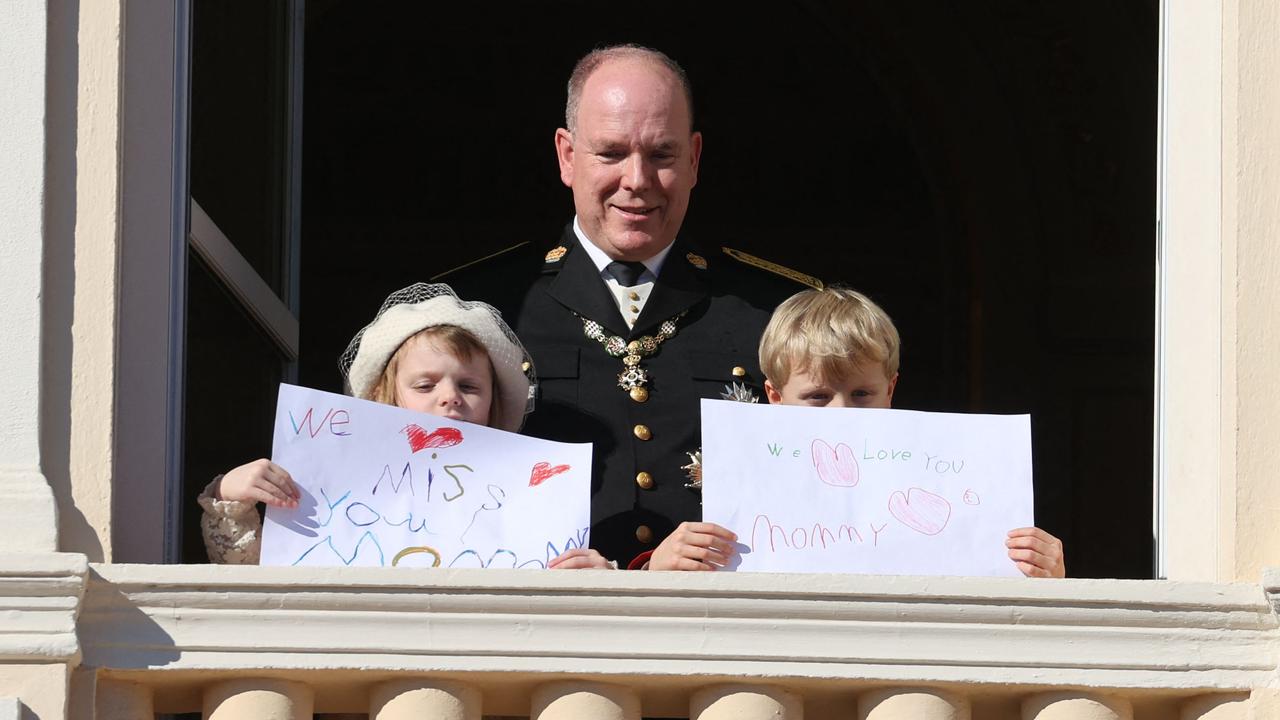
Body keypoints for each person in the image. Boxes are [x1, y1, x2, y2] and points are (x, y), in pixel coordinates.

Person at [441, 45, 816, 568]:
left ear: (694, 159)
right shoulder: (473, 309)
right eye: (611, 153)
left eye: (661, 155)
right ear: (568, 156)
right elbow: (401, 480)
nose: (637, 181)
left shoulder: (778, 312)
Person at [650, 286, 1067, 576]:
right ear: (775, 397)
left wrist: (1042, 573)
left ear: (891, 390)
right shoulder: (744, 488)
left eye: (862, 393)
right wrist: (659, 567)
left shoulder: (942, 475)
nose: (841, 413)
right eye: (817, 397)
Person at [198, 283, 612, 570]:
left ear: (494, 405)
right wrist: (231, 497)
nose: (449, 397)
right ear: (386, 396)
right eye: (425, 384)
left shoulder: (533, 503)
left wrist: (595, 579)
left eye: (469, 385)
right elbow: (253, 577)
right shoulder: (331, 486)